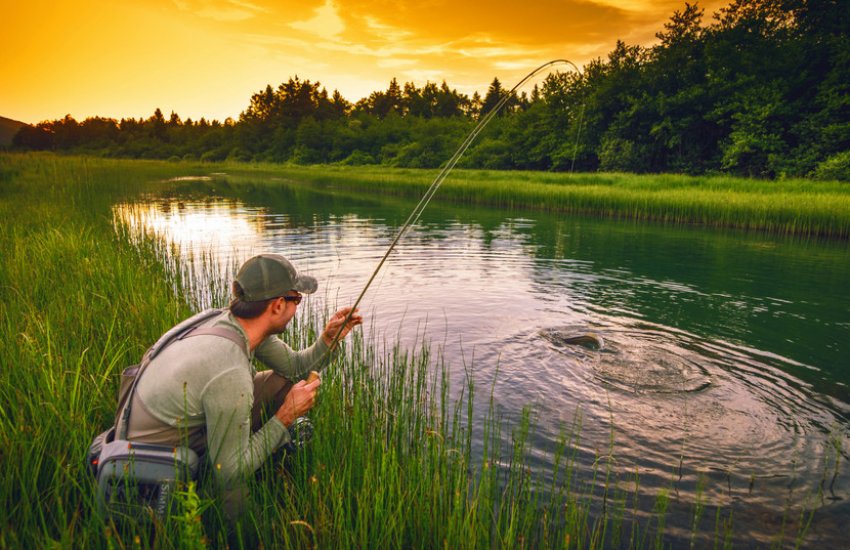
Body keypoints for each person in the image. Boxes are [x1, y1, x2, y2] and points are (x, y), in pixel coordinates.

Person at [122, 253, 362, 515]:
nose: (297, 308)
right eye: (297, 299)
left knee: (282, 380)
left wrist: (328, 339)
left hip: (173, 424)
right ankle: (236, 527)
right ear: (278, 306)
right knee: (234, 485)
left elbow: (294, 368)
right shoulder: (230, 371)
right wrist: (285, 417)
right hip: (158, 455)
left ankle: (253, 448)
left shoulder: (231, 322)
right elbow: (227, 472)